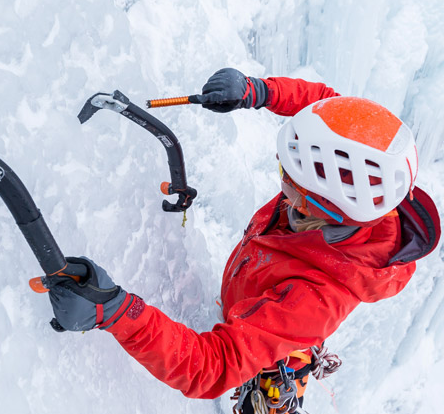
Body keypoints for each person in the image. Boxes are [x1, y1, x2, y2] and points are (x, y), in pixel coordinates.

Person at [44, 69, 441, 413]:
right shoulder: (360, 178)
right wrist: (261, 91)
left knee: (267, 386)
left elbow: (211, 367)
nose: (282, 179)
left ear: (326, 207)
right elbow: (326, 106)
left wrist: (115, 312)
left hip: (279, 334)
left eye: (290, 178)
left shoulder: (315, 298)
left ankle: (282, 380)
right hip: (266, 288)